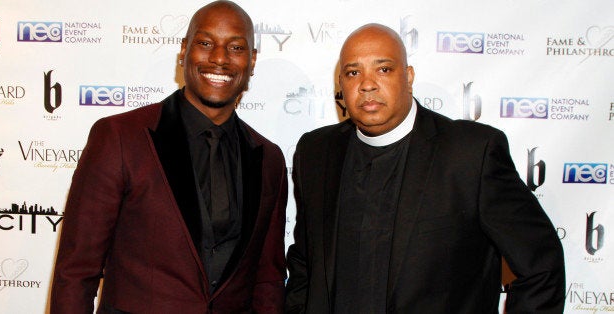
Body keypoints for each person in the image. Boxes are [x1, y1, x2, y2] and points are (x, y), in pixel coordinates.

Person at [285, 23, 565, 313]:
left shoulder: (471, 153)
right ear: (340, 84)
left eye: (383, 69)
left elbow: (542, 266)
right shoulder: (315, 152)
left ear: (408, 77)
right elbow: (305, 265)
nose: (367, 84)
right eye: (353, 72)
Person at [50, 1, 287, 313]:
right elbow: (76, 272)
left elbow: (267, 281)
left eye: (236, 47)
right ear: (184, 50)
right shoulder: (121, 137)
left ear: (252, 60)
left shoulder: (268, 158)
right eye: (205, 43)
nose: (219, 58)